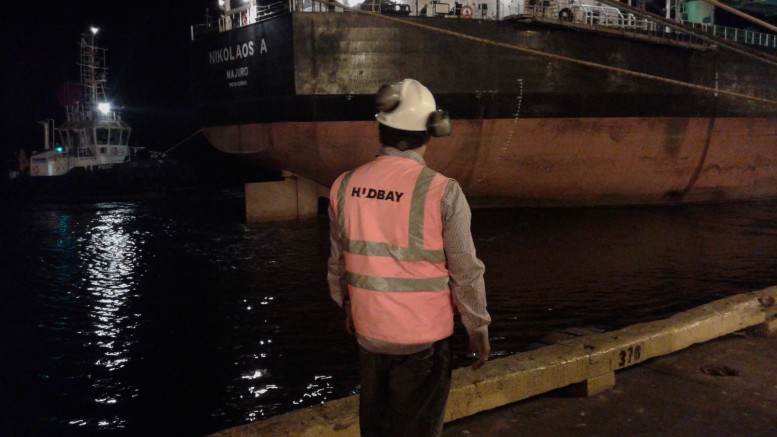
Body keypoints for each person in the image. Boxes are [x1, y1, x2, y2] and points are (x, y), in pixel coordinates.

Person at [327, 78, 491, 437]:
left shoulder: (343, 185)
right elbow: (465, 271)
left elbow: (339, 264)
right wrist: (477, 327)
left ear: (380, 128)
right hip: (424, 342)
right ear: (430, 133)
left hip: (369, 334)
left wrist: (348, 308)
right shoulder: (443, 192)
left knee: (376, 428)